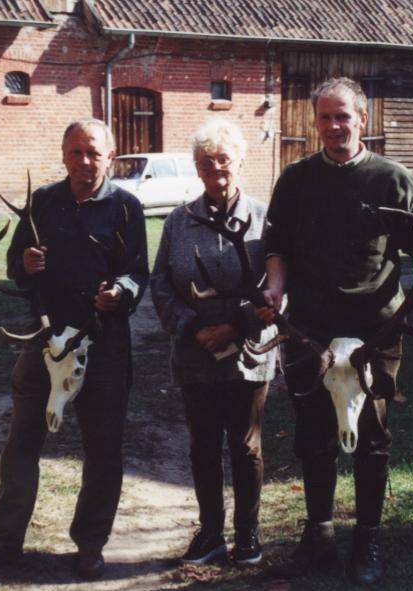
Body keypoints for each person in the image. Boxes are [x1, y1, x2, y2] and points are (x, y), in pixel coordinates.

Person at [256, 77, 413, 585]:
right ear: (314, 121)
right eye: (325, 117)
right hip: (309, 330)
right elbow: (277, 246)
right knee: (314, 432)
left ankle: (367, 539)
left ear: (363, 119)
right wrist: (275, 288)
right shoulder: (296, 180)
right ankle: (318, 536)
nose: (334, 126)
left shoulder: (391, 179)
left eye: (344, 116)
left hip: (375, 331)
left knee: (372, 436)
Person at [0, 118, 148, 580]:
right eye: (75, 152)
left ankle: (90, 545)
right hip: (44, 341)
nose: (84, 161)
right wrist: (24, 263)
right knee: (21, 444)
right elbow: (15, 265)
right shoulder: (43, 203)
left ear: (110, 156)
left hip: (104, 346)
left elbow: (137, 272)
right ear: (63, 155)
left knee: (103, 450)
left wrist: (120, 293)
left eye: (93, 152)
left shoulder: (126, 208)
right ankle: (4, 543)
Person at [150, 119, 277, 566]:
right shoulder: (179, 222)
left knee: (245, 446)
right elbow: (160, 284)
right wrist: (190, 326)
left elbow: (279, 286)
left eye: (224, 159)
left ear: (239, 161)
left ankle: (247, 535)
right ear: (196, 168)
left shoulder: (265, 219)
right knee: (203, 445)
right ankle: (210, 534)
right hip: (195, 353)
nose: (216, 168)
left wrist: (238, 325)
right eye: (206, 162)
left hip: (249, 352)